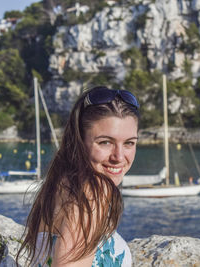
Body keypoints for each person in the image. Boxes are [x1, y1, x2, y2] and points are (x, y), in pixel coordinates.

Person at [16, 86, 140, 266]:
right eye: (105, 142)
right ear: (80, 140)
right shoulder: (92, 192)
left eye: (129, 143)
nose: (119, 157)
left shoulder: (63, 181)